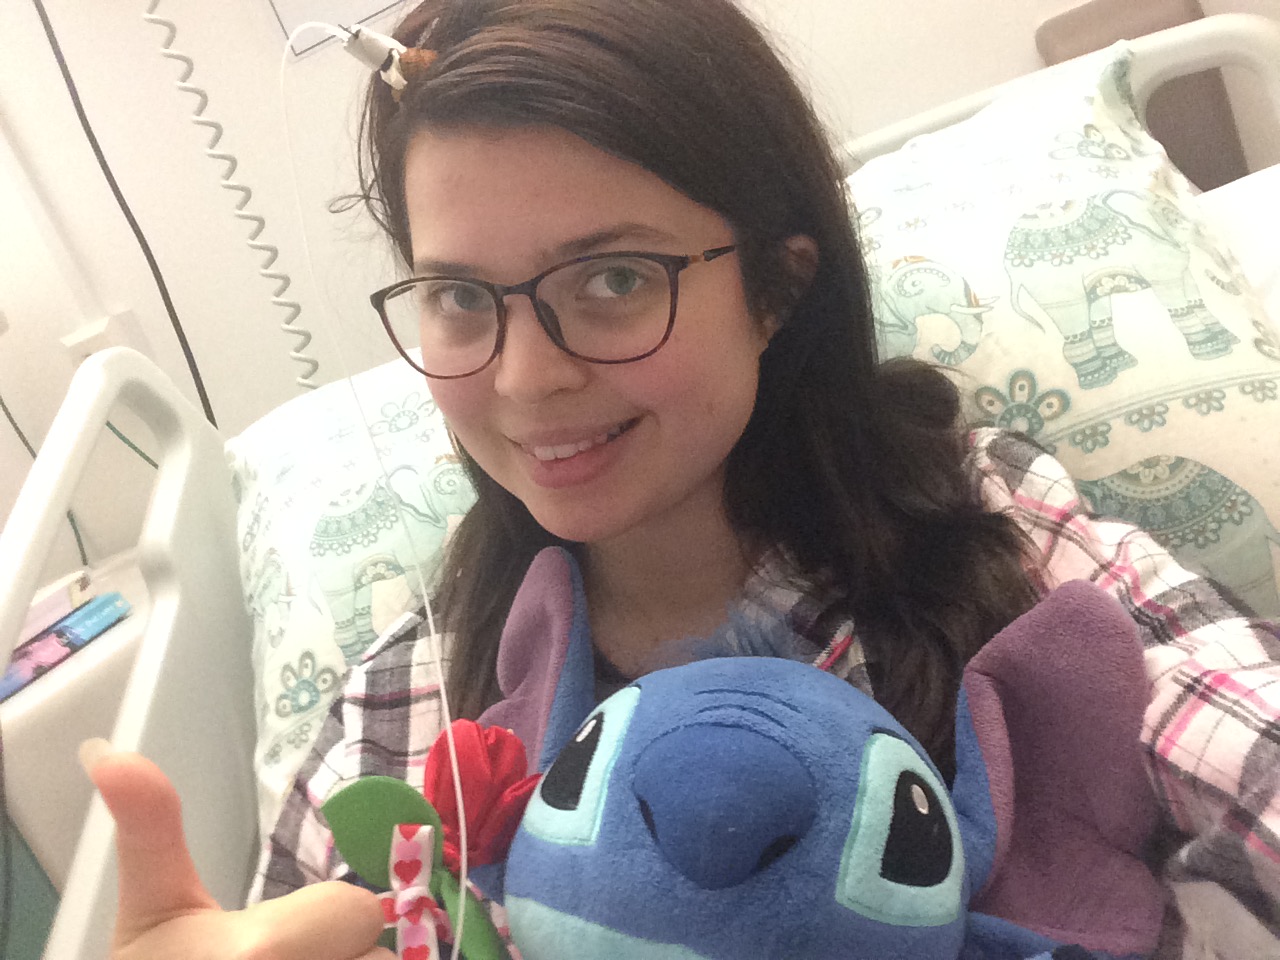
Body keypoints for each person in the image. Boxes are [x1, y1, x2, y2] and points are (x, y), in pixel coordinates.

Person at [88, 0, 1280, 957]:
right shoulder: (413, 713)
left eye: (611, 279)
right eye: (460, 298)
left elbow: (1233, 744)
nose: (526, 377)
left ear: (774, 286)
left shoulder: (993, 537)